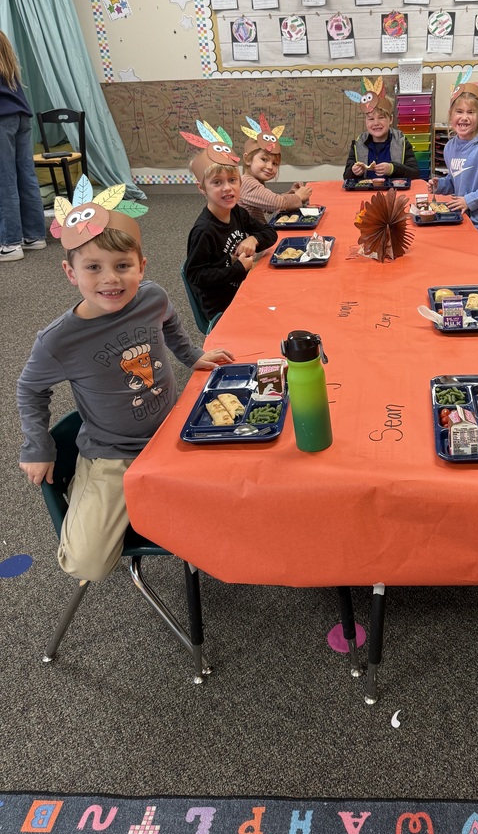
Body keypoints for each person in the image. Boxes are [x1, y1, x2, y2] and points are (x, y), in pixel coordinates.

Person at [17, 180, 234, 583]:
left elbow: (169, 319)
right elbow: (30, 388)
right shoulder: (58, 341)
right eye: (93, 267)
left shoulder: (151, 296)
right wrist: (37, 444)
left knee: (243, 495)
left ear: (141, 266)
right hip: (114, 452)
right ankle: (97, 492)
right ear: (70, 272)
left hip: (174, 433)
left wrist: (191, 355)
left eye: (122, 266)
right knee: (86, 564)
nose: (110, 280)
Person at [184, 125, 277, 324]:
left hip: (244, 287)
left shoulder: (236, 212)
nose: (227, 188)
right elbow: (196, 276)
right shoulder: (204, 231)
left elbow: (270, 233)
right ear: (202, 188)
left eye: (232, 180)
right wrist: (238, 269)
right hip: (223, 306)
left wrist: (253, 239)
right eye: (217, 182)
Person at [427, 69, 478, 242]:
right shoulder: (450, 147)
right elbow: (456, 179)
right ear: (451, 115)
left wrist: (470, 200)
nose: (464, 117)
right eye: (459, 111)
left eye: (470, 112)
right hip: (460, 216)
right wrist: (440, 185)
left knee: (477, 256)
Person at [0, 30, 47, 261]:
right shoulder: (8, 67)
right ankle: (34, 236)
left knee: (4, 180)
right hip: (21, 118)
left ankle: (10, 244)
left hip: (2, 120)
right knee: (26, 176)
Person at [238, 112, 312, 223]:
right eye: (264, 159)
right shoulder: (247, 183)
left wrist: (291, 194)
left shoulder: (254, 181)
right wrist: (298, 196)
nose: (270, 167)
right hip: (251, 233)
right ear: (248, 159)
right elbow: (276, 203)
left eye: (275, 163)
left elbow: (268, 206)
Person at [342, 89, 419, 182]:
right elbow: (346, 177)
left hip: (394, 190)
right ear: (365, 121)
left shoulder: (401, 142)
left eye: (381, 117)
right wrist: (353, 171)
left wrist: (392, 169)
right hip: (365, 190)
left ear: (390, 120)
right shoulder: (358, 144)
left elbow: (415, 174)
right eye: (371, 119)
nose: (376, 123)